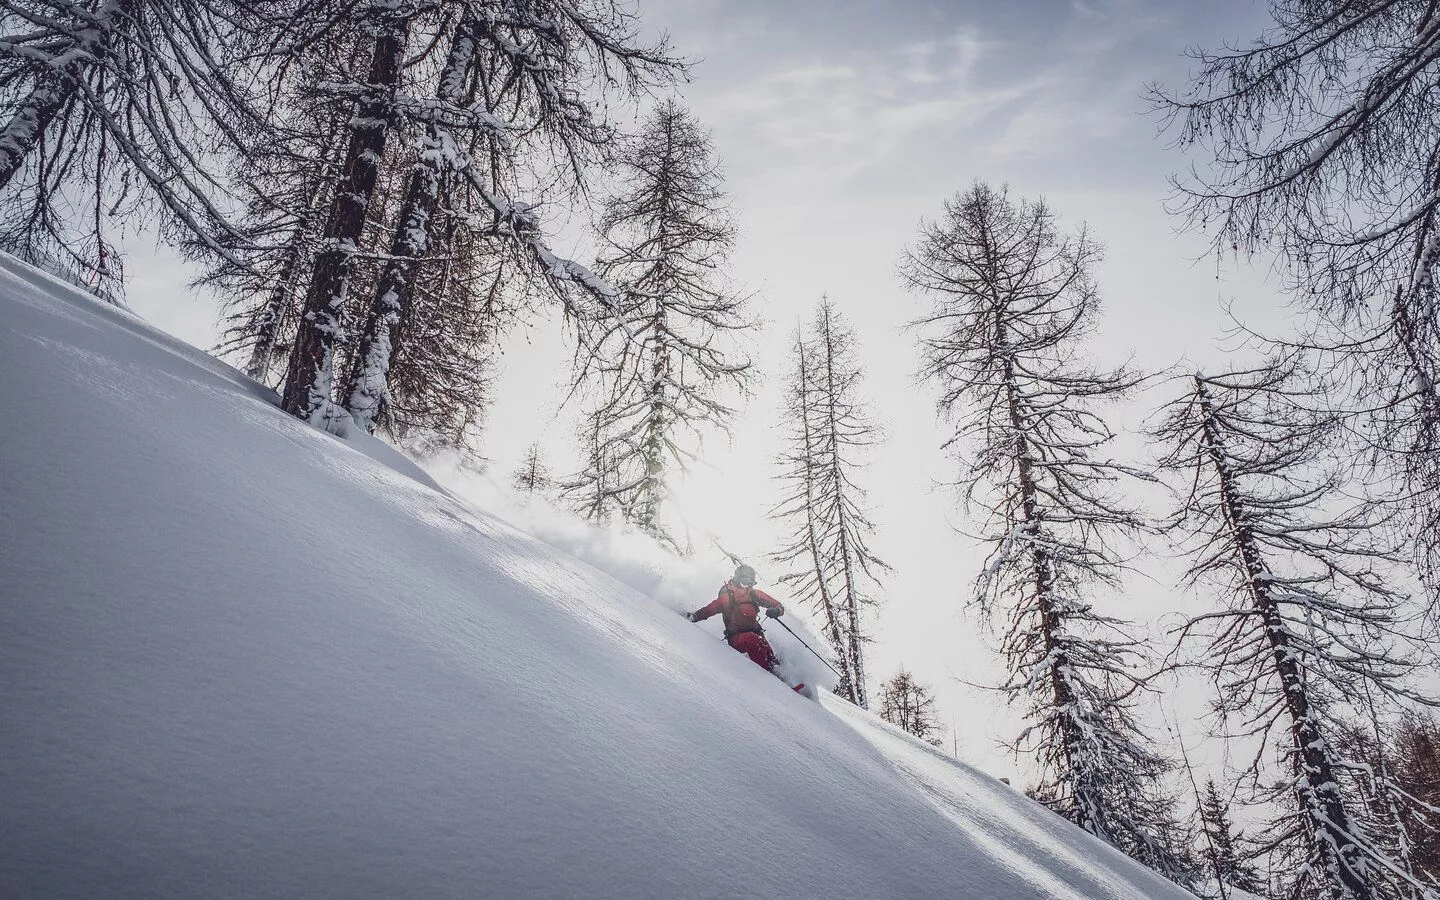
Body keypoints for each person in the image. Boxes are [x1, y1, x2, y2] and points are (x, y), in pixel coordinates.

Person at [688, 563, 786, 672]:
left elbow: (779, 605)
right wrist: (694, 616)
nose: (747, 586)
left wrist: (776, 610)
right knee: (752, 639)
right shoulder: (728, 597)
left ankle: (779, 674)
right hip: (736, 638)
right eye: (744, 582)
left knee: (767, 651)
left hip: (756, 633)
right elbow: (709, 610)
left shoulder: (754, 594)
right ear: (737, 579)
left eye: (750, 583)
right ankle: (767, 673)